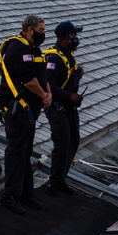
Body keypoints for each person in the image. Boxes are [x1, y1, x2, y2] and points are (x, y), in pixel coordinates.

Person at [0, 15, 51, 215]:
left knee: (25, 151)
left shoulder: (34, 49)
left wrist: (48, 93)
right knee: (16, 151)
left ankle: (25, 192)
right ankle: (10, 194)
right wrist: (44, 96)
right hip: (17, 108)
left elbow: (41, 75)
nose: (43, 35)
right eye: (41, 31)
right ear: (29, 30)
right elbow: (28, 79)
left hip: (30, 110)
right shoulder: (19, 48)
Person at [43, 21, 84, 195]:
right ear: (67, 37)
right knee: (62, 144)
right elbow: (48, 85)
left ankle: (60, 179)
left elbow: (64, 79)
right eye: (74, 35)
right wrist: (70, 96)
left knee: (73, 142)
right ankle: (54, 183)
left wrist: (77, 75)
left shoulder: (67, 55)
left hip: (69, 109)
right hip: (57, 108)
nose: (76, 38)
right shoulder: (54, 58)